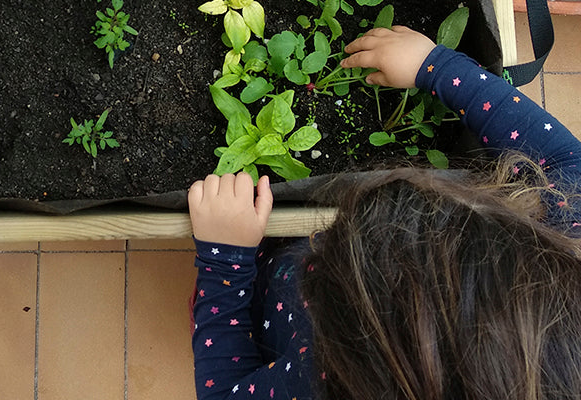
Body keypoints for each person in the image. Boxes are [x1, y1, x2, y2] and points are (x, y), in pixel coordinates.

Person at [188, 25, 581, 400]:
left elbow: (223, 392)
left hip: (265, 306)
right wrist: (436, 66)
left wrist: (226, 264)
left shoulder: (325, 383)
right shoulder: (569, 228)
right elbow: (563, 158)